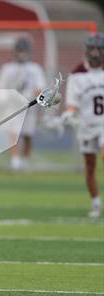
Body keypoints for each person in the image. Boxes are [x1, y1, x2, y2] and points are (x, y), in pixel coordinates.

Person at [62, 33, 104, 218]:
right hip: (86, 125)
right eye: (92, 49)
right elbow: (72, 104)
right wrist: (70, 114)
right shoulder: (77, 73)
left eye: (98, 49)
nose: (94, 53)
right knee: (90, 166)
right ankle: (95, 203)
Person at [0, 37, 47, 170]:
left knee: (28, 135)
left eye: (24, 50)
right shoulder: (7, 68)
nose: (21, 53)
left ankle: (25, 160)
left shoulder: (35, 68)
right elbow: (1, 86)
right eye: (19, 50)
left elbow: (39, 88)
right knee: (13, 132)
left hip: (29, 107)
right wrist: (4, 99)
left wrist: (28, 97)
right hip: (13, 107)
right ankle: (15, 160)